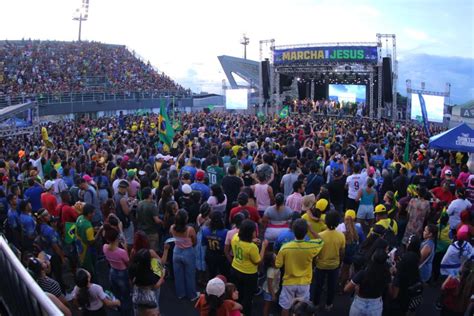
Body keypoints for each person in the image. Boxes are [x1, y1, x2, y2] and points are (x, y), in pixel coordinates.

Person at [275, 218, 324, 316]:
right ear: (306, 231)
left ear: (293, 230)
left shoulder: (285, 247)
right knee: (302, 309)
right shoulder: (312, 246)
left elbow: (278, 265)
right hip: (304, 283)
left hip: (289, 282)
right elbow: (321, 241)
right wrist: (312, 230)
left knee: (286, 307)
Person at [230, 219, 269, 316]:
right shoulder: (252, 247)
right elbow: (258, 261)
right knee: (248, 297)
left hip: (235, 269)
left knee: (238, 293)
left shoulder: (235, 237)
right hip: (248, 274)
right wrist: (264, 247)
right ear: (250, 233)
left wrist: (251, 240)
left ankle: (237, 312)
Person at [344, 249, 393, 316]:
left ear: (372, 258)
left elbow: (346, 289)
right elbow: (390, 292)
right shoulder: (387, 274)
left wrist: (352, 285)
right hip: (375, 306)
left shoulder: (363, 273)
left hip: (359, 304)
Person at [313, 211, 345, 311]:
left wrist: (314, 263)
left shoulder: (320, 235)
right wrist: (339, 262)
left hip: (320, 265)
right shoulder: (341, 236)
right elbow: (342, 252)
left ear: (326, 221)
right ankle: (329, 304)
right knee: (331, 286)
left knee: (318, 285)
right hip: (334, 265)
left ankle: (315, 303)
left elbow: (315, 252)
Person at [102, 224, 132, 316]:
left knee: (117, 293)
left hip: (112, 272)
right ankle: (126, 312)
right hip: (122, 274)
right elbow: (128, 263)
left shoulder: (105, 247)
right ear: (117, 238)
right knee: (126, 295)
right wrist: (126, 247)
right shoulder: (121, 252)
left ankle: (119, 308)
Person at [170, 209, 198, 300]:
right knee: (190, 275)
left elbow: (172, 238)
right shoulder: (190, 229)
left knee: (178, 274)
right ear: (186, 219)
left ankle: (180, 293)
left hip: (176, 251)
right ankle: (192, 295)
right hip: (188, 252)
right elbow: (195, 241)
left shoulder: (172, 228)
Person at [129, 248, 167, 315]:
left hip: (137, 295)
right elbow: (156, 286)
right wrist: (162, 276)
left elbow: (131, 282)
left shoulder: (132, 268)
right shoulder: (149, 274)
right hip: (149, 298)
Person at [76, 203, 102, 276]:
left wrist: (93, 229)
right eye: (93, 212)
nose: (94, 214)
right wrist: (99, 231)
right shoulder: (88, 226)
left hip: (79, 247)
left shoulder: (80, 218)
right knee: (91, 270)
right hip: (86, 250)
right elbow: (91, 242)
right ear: (89, 214)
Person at [201, 211, 229, 278]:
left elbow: (203, 243)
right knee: (224, 275)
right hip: (221, 256)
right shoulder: (226, 232)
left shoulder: (205, 230)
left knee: (211, 274)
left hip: (210, 254)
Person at [136, 187, 162, 251]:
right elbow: (156, 220)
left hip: (142, 231)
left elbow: (137, 217)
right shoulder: (152, 206)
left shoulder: (139, 204)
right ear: (149, 195)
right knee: (152, 251)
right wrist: (162, 221)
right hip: (151, 232)